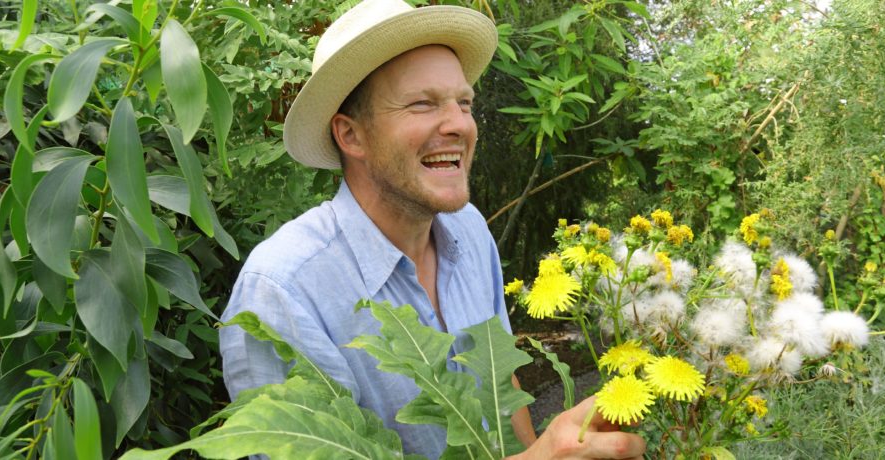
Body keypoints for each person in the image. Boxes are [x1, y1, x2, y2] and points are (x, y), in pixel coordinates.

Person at [219, 0, 646, 458]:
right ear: (351, 136)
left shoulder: (470, 230)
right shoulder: (283, 291)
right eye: (423, 104)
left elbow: (501, 387)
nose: (460, 124)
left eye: (464, 103)